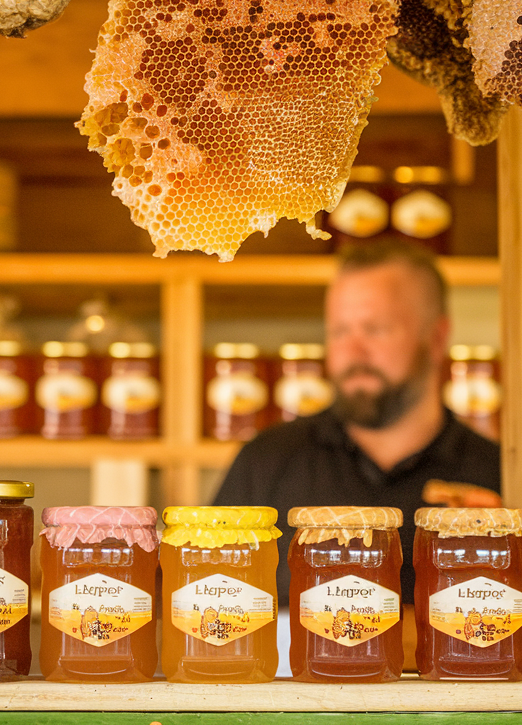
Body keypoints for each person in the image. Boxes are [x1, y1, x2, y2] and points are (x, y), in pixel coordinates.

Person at [212, 239, 502, 604]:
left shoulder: (498, 477)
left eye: (375, 329)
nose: (352, 351)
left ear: (437, 337)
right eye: (339, 331)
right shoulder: (265, 463)